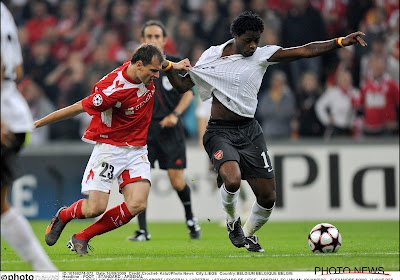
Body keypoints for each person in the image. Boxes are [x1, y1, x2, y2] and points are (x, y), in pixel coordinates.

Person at [163, 11, 367, 252]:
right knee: (232, 179)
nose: (252, 45)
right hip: (220, 131)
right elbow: (183, 86)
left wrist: (340, 41)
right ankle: (232, 221)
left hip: (250, 131)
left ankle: (247, 234)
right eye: (248, 39)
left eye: (256, 39)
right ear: (236, 35)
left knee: (268, 199)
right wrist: (167, 67)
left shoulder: (262, 56)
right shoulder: (212, 55)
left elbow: (304, 50)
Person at [36, 44, 186, 255]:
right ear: (140, 65)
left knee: (137, 204)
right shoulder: (113, 91)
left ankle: (82, 237)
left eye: (158, 70)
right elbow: (76, 108)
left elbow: (158, 60)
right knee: (95, 208)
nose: (157, 76)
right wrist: (36, 124)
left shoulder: (143, 66)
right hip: (110, 148)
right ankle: (64, 215)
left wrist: (173, 65)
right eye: (153, 72)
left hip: (137, 150)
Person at [128, 20, 200, 241]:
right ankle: (142, 231)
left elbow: (189, 93)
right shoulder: (134, 67)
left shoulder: (176, 64)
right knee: (140, 180)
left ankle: (191, 220)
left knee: (176, 180)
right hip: (144, 131)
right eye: (148, 37)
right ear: (142, 40)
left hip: (170, 128)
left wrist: (175, 115)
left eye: (156, 37)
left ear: (164, 40)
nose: (152, 40)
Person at [1, 2, 57, 270]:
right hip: (13, 113)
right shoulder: (5, 15)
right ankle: (46, 271)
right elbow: (16, 69)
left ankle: (46, 270)